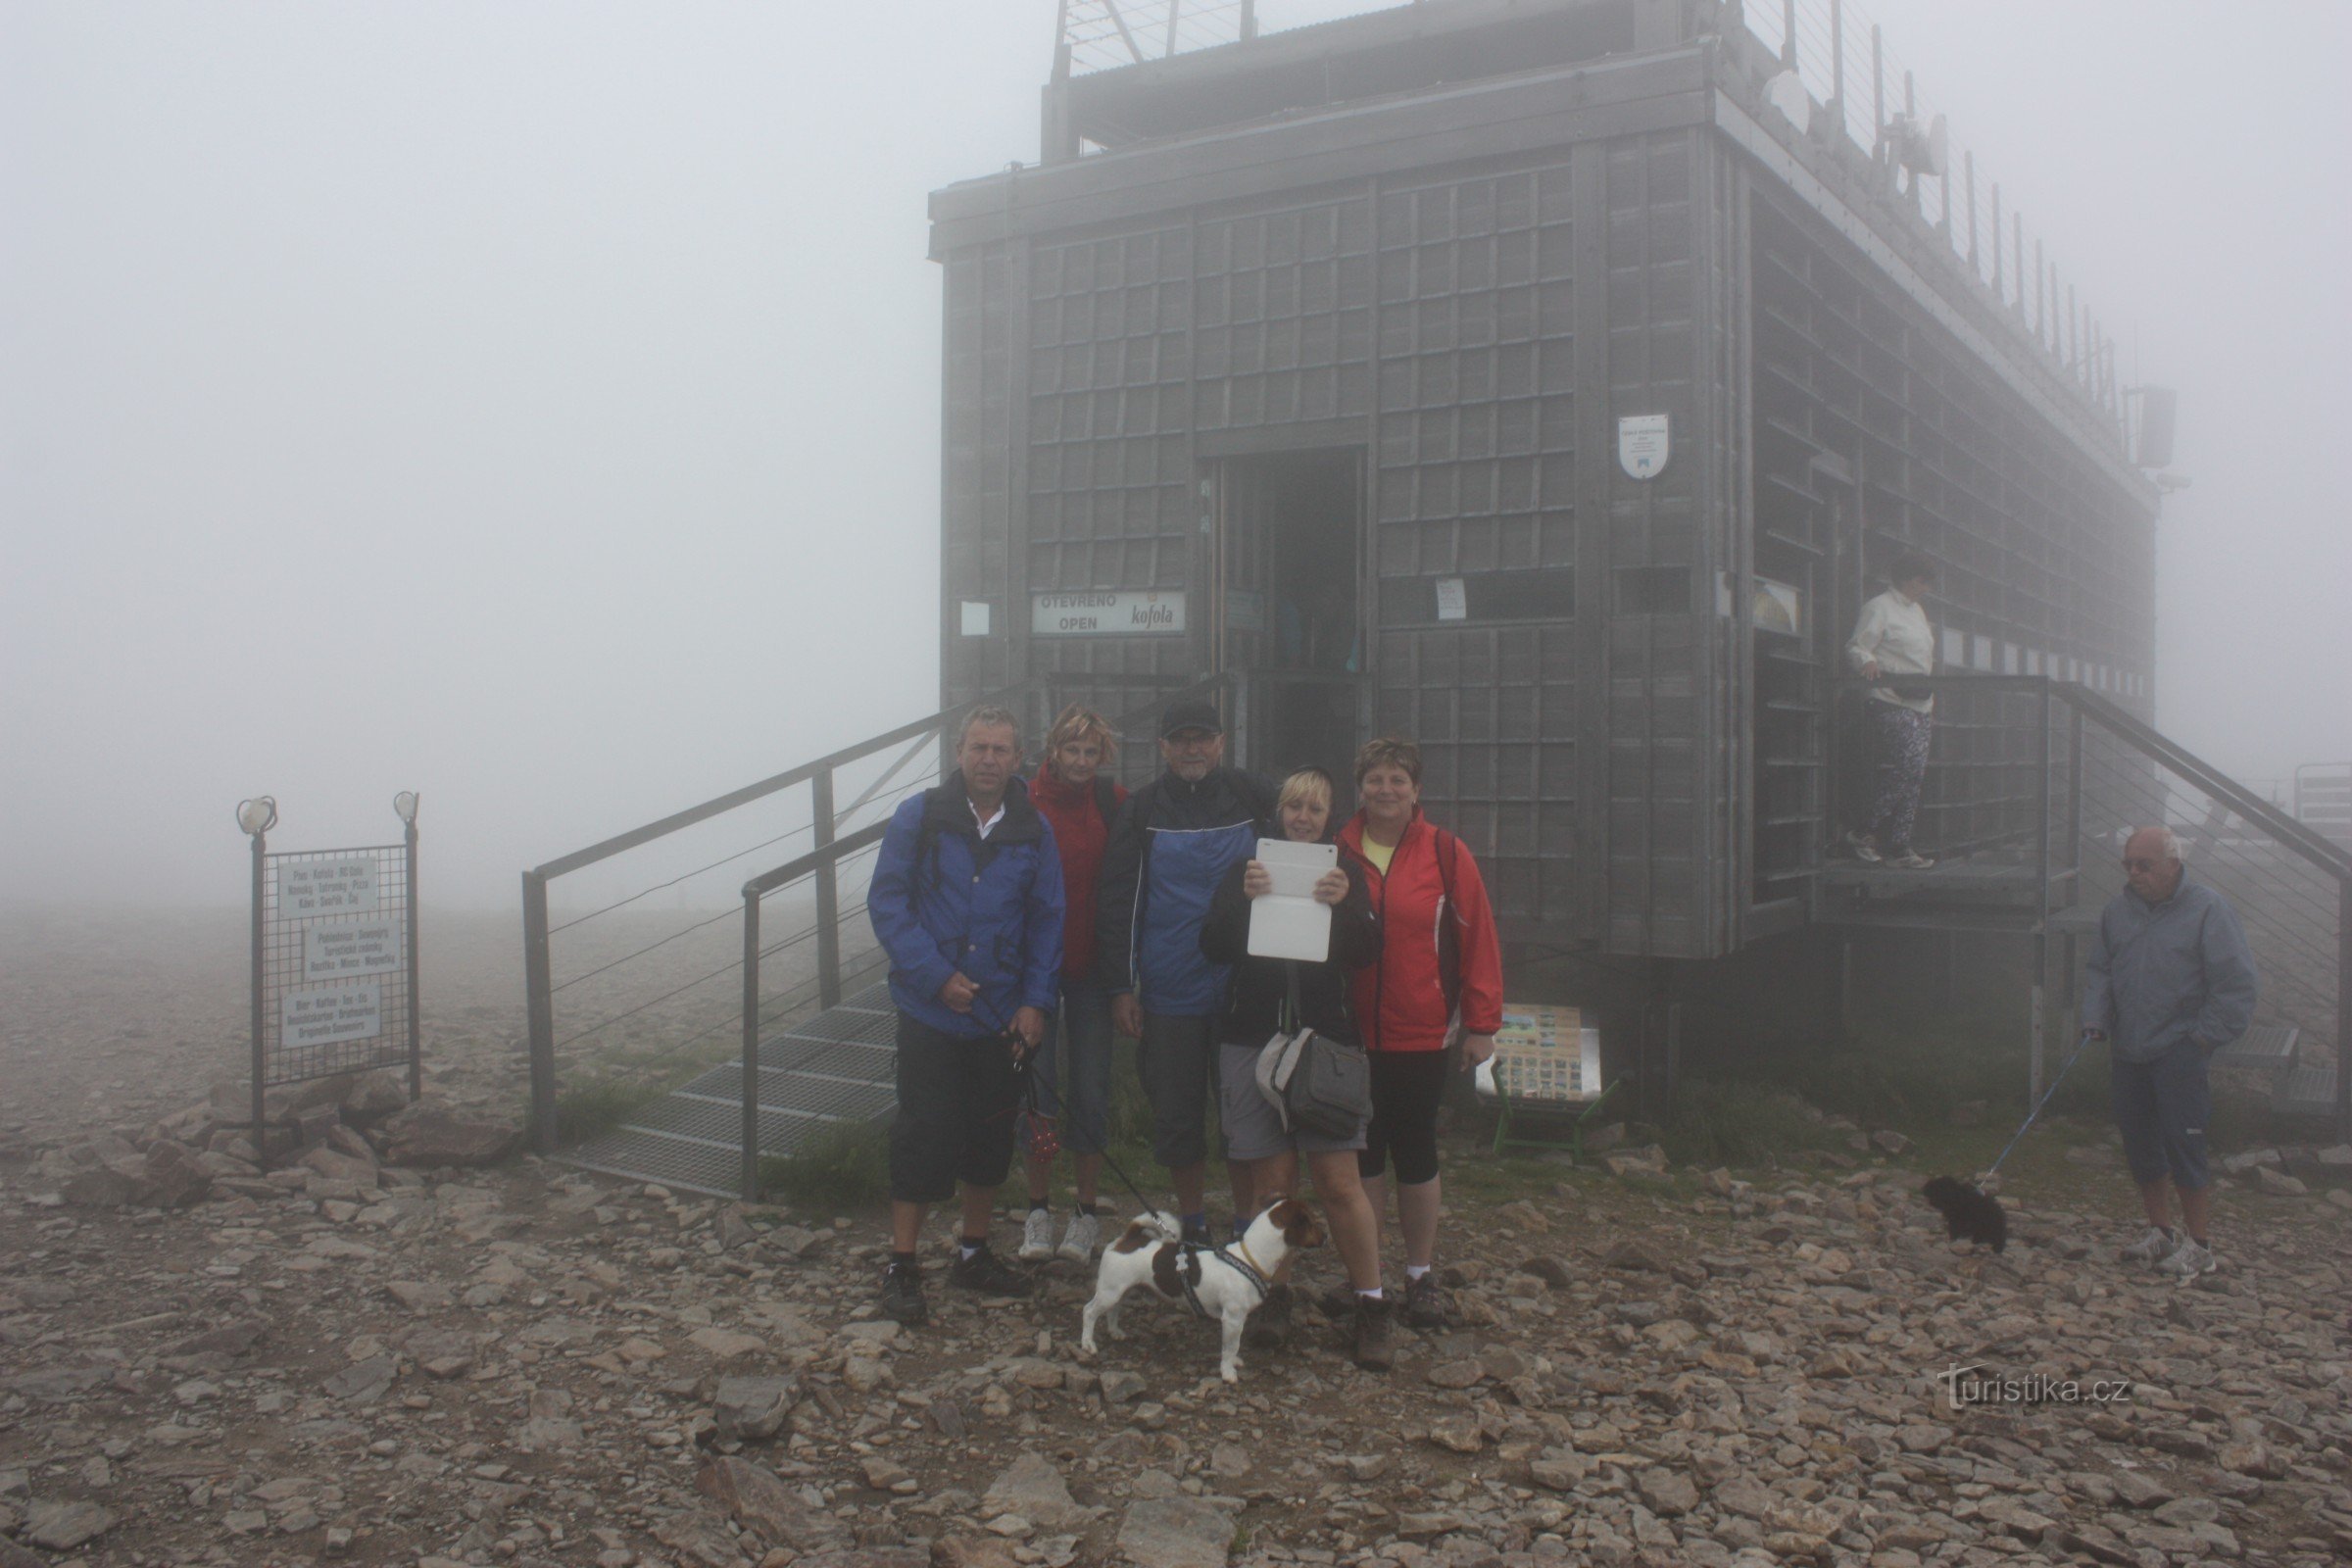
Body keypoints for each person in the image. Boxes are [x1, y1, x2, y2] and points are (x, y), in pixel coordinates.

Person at [866, 706, 1065, 1325]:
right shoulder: (919, 816)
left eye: (1000, 750)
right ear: (958, 752)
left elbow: (1047, 918)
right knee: (922, 1133)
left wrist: (1036, 1003)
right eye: (978, 747)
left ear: (1017, 757)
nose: (988, 760)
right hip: (929, 1010)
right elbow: (888, 901)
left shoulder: (1035, 829)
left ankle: (973, 1253)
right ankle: (902, 1264)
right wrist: (933, 976)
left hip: (1001, 1015)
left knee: (989, 1133)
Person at [1198, 767, 1394, 1369]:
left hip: (1324, 1043)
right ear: (1279, 814)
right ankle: (1273, 1295)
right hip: (1252, 1036)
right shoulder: (1245, 871)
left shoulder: (1347, 873)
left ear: (1328, 815)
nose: (1302, 818)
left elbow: (1366, 951)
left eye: (1313, 809)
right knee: (1271, 1187)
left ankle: (1371, 1305)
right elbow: (1212, 945)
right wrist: (1244, 902)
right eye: (1292, 808)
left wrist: (1343, 907)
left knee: (1339, 1183)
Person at [1097, 697, 1278, 1248]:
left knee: (1243, 1114)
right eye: (1180, 739)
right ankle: (1194, 1220)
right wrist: (1121, 986)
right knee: (1177, 1115)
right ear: (1163, 748)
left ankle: (1246, 1222)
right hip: (1170, 987)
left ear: (1222, 743)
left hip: (1244, 987)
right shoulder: (1143, 808)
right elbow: (1120, 901)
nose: (1192, 748)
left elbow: (1309, 837)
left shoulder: (1254, 796)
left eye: (1202, 738)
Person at [1336, 737, 1503, 1330]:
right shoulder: (1338, 851)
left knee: (1416, 1148)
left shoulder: (1445, 853)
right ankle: (1369, 1278)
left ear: (1416, 791)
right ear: (1360, 788)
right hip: (1351, 1032)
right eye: (1375, 779)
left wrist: (1481, 1024)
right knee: (1364, 1152)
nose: (1385, 790)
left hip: (1422, 1029)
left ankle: (1420, 1274)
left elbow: (1477, 936)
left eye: (1397, 781)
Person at [2083, 824, 2257, 1281]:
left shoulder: (2208, 910)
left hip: (2180, 1047)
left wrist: (2202, 1038)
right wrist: (2095, 1018)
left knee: (2185, 1141)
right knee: (2140, 1141)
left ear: (2174, 865)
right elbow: (2101, 970)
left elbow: (2236, 984)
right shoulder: (2117, 912)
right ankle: (2161, 1231)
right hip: (2129, 1047)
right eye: (2129, 865)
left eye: (2146, 865)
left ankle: (2200, 1244)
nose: (2136, 873)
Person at [1017, 705, 1127, 1264]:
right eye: (1072, 751)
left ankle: (1084, 1214)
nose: (1082, 762)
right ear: (1052, 751)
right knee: (1036, 1092)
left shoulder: (1111, 802)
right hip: (1031, 975)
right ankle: (1038, 1209)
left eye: (1092, 753)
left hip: (1090, 973)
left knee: (1089, 1090)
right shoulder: (1023, 801)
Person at [1843, 554, 1940, 870]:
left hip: (1921, 703)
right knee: (1907, 769)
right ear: (1905, 578)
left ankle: (1899, 845)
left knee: (1914, 776)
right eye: (1921, 581)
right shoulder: (1879, 606)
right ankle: (1863, 832)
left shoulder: (1918, 612)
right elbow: (1858, 645)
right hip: (1889, 698)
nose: (1925, 588)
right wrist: (1867, 662)